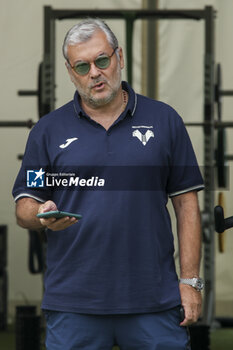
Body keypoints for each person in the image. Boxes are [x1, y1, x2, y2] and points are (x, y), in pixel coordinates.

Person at [13, 18, 204, 350]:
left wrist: (190, 282)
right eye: (82, 66)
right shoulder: (47, 131)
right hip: (74, 303)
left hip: (153, 300)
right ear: (71, 72)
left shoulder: (165, 120)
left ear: (120, 57)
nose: (94, 73)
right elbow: (24, 206)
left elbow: (187, 205)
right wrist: (40, 213)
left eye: (102, 60)